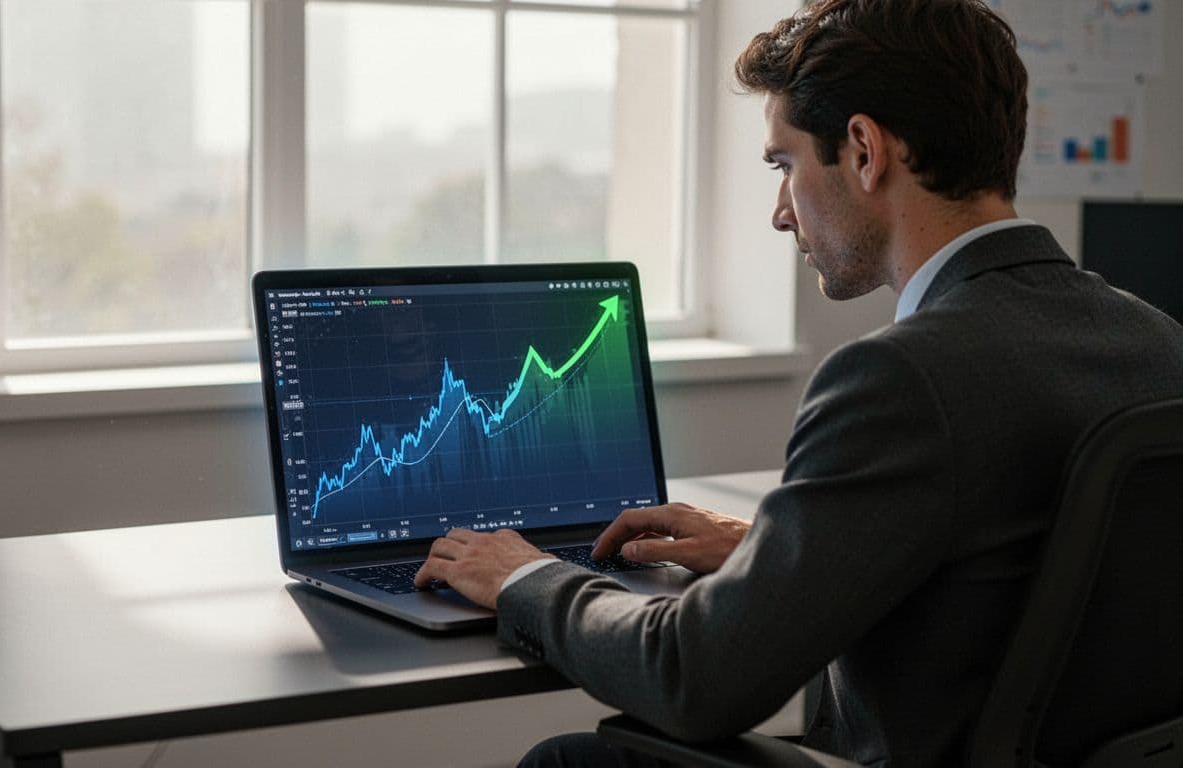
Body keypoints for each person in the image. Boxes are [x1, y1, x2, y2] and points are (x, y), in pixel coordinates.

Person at [414, 0, 1183, 764]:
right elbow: (1018, 576)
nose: (781, 214)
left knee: (579, 760)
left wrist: (528, 578)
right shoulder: (1154, 340)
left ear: (863, 150)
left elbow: (696, 679)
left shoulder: (899, 379)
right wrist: (778, 558)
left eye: (784, 165)